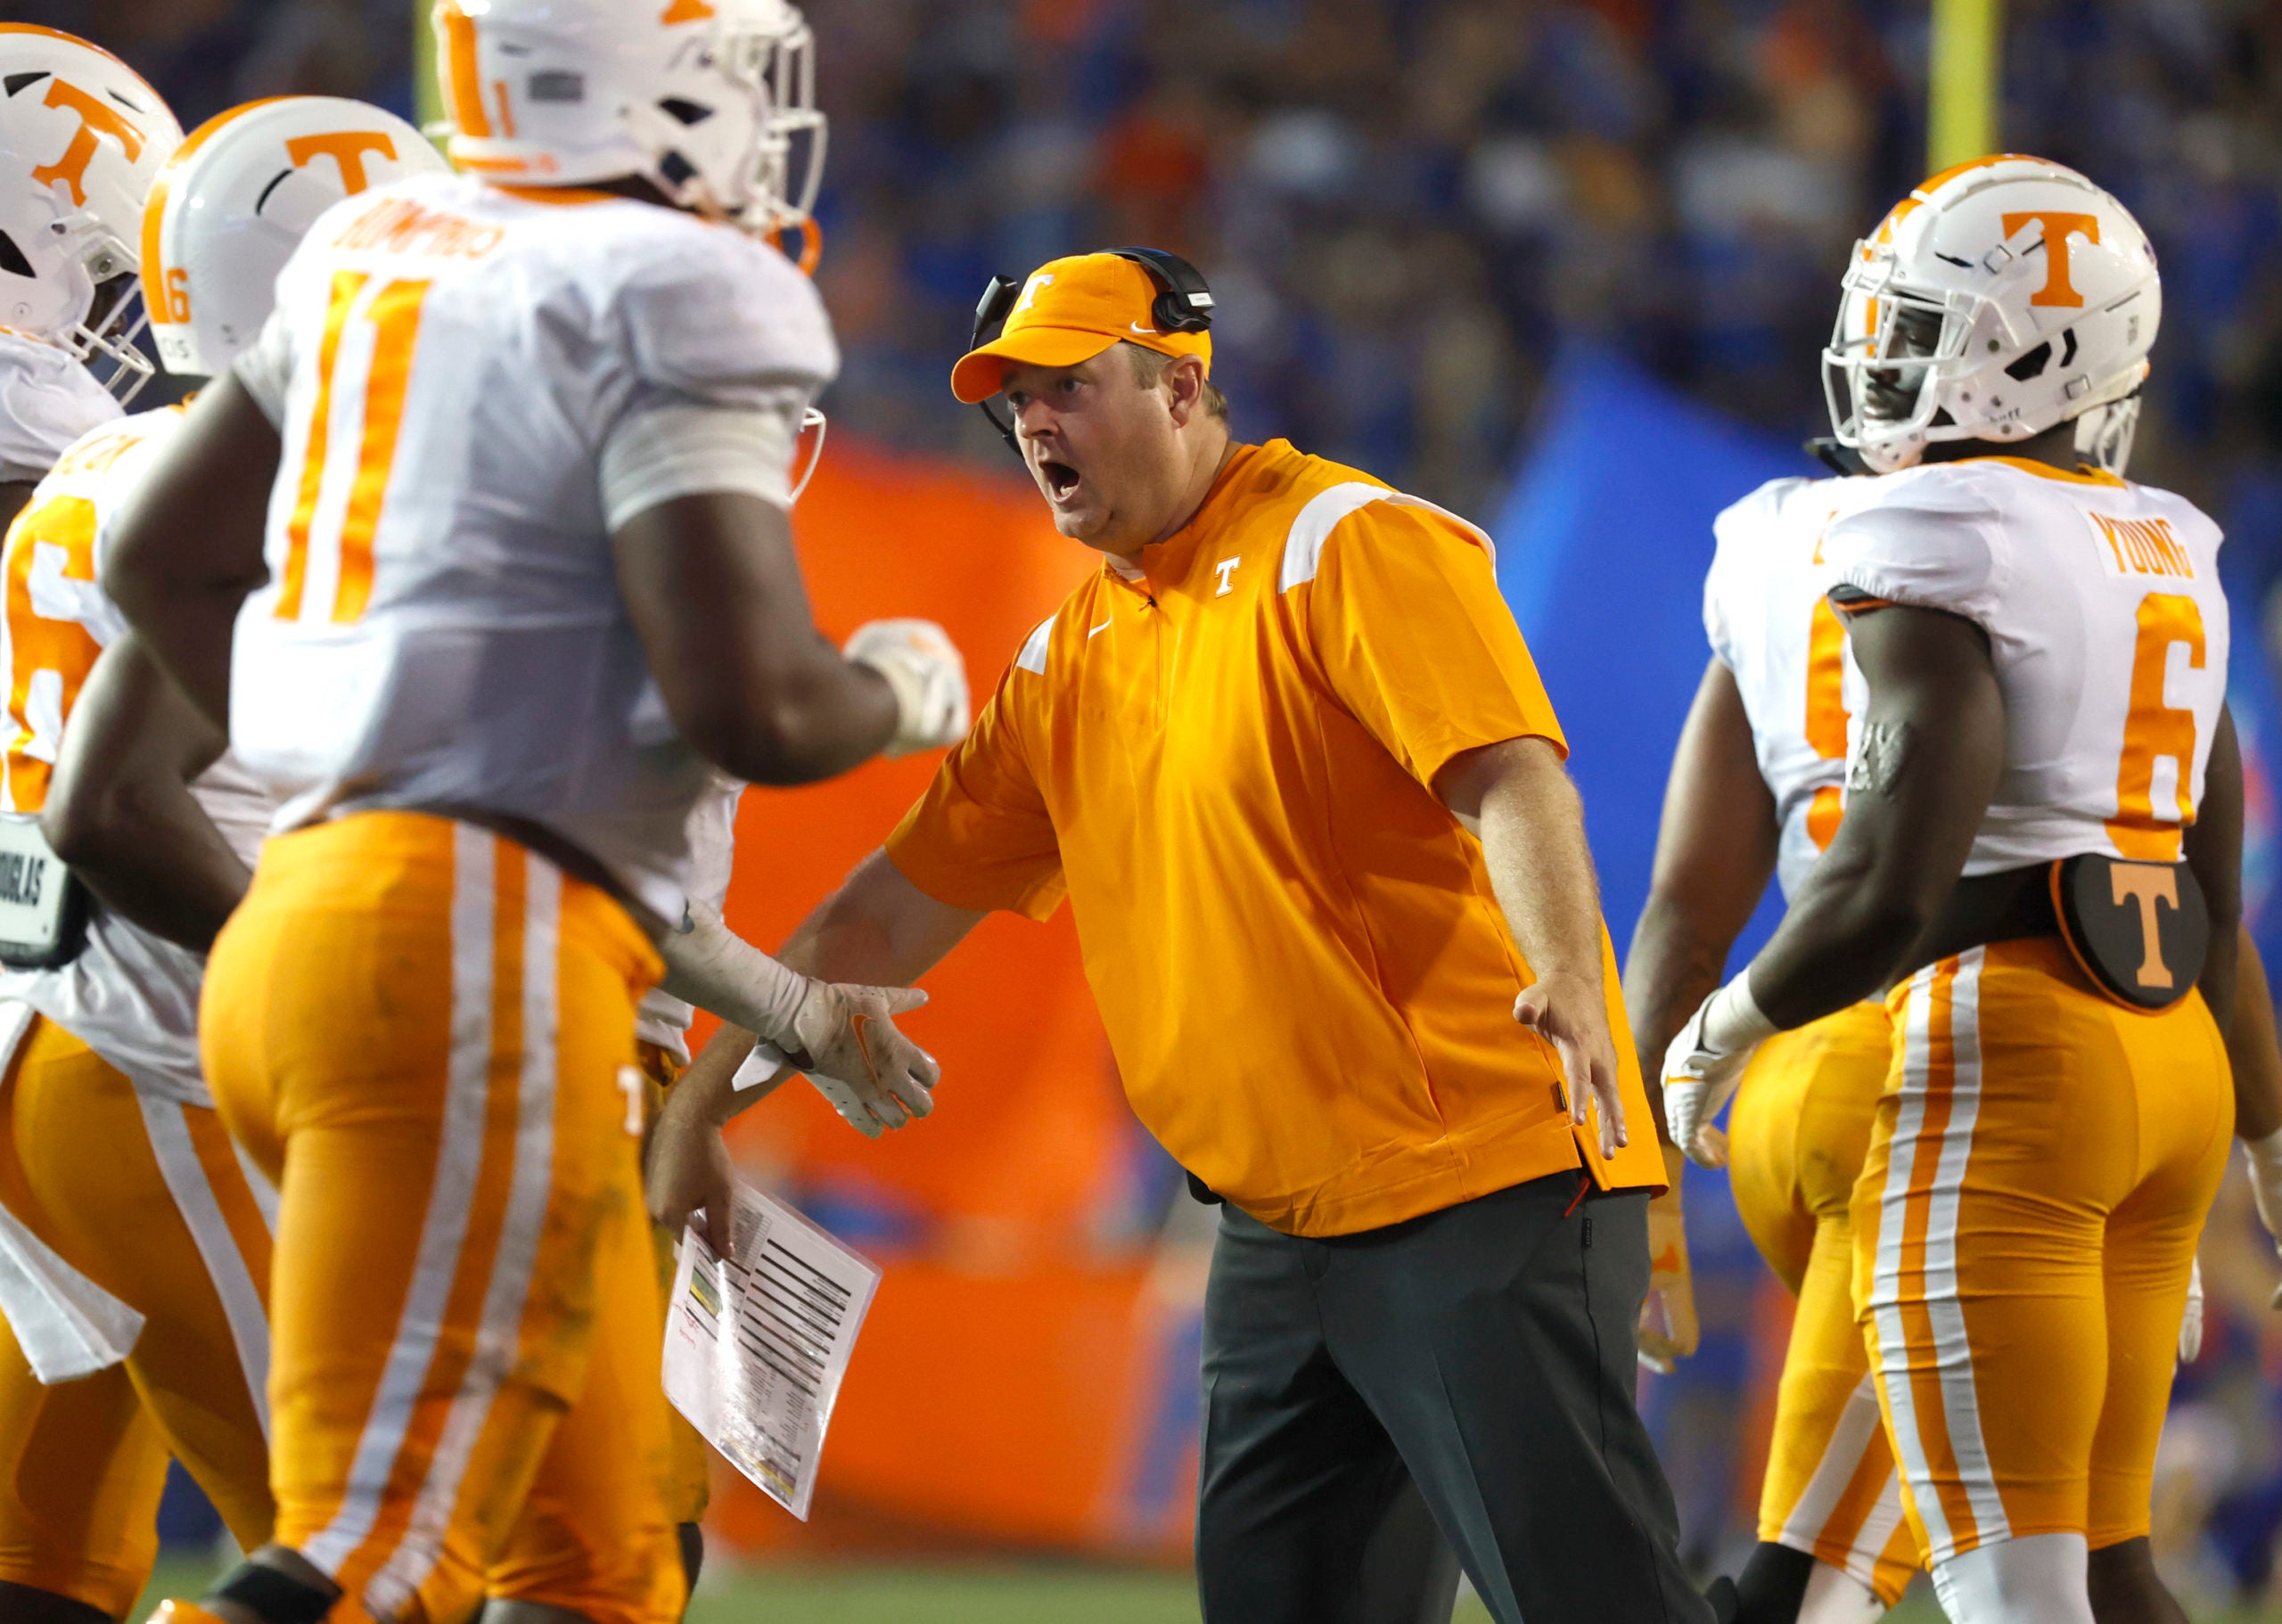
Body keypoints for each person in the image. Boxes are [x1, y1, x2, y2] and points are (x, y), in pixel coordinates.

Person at [646, 246, 1710, 1624]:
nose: (1035, 423)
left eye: (1071, 386)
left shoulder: (1347, 541)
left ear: (1183, 384)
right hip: (1275, 1236)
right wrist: (706, 1105)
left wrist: (1570, 968)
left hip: (1480, 1189)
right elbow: (886, 910)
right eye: (1015, 400)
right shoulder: (1076, 649)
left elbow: (1512, 775)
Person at [97, 4, 963, 1623]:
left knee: (600, 1558)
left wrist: (347, 734)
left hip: (304, 929)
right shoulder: (679, 280)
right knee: (378, 1560)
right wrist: (905, 689)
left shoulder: (372, 243)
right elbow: (755, 708)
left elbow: (162, 562)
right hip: (475, 953)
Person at [1661, 155, 2238, 1624]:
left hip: (1948, 1050)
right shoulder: (2173, 540)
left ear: (2034, 350)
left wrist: (1704, 1049)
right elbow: (2207, 886)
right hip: (2165, 1055)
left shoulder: (1872, 527)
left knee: (2015, 1593)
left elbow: (1859, 874)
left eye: (1916, 327)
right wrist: (2272, 1145)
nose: (1875, 355)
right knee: (2020, 1573)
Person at [1627, 465, 1920, 1624]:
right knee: (1835, 1575)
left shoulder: (1769, 540)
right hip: (1960, 1070)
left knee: (2065, 1543)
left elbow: (1683, 913)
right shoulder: (2056, 530)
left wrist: (1637, 1178)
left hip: (1783, 1083)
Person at [0, 31, 212, 1624]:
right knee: (383, 1548)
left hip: (40, 1012)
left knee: (41, 1555)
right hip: (97, 1025)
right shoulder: (91, 445)